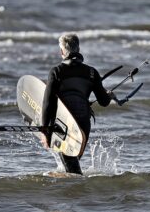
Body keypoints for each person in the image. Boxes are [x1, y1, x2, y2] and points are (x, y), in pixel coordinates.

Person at [41, 33, 114, 175]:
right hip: (82, 125)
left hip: (63, 124)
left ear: (62, 51)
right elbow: (104, 102)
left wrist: (45, 131)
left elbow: (47, 103)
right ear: (78, 49)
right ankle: (78, 193)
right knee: (72, 164)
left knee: (73, 172)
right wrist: (110, 95)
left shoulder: (56, 72)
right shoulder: (92, 72)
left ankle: (79, 193)